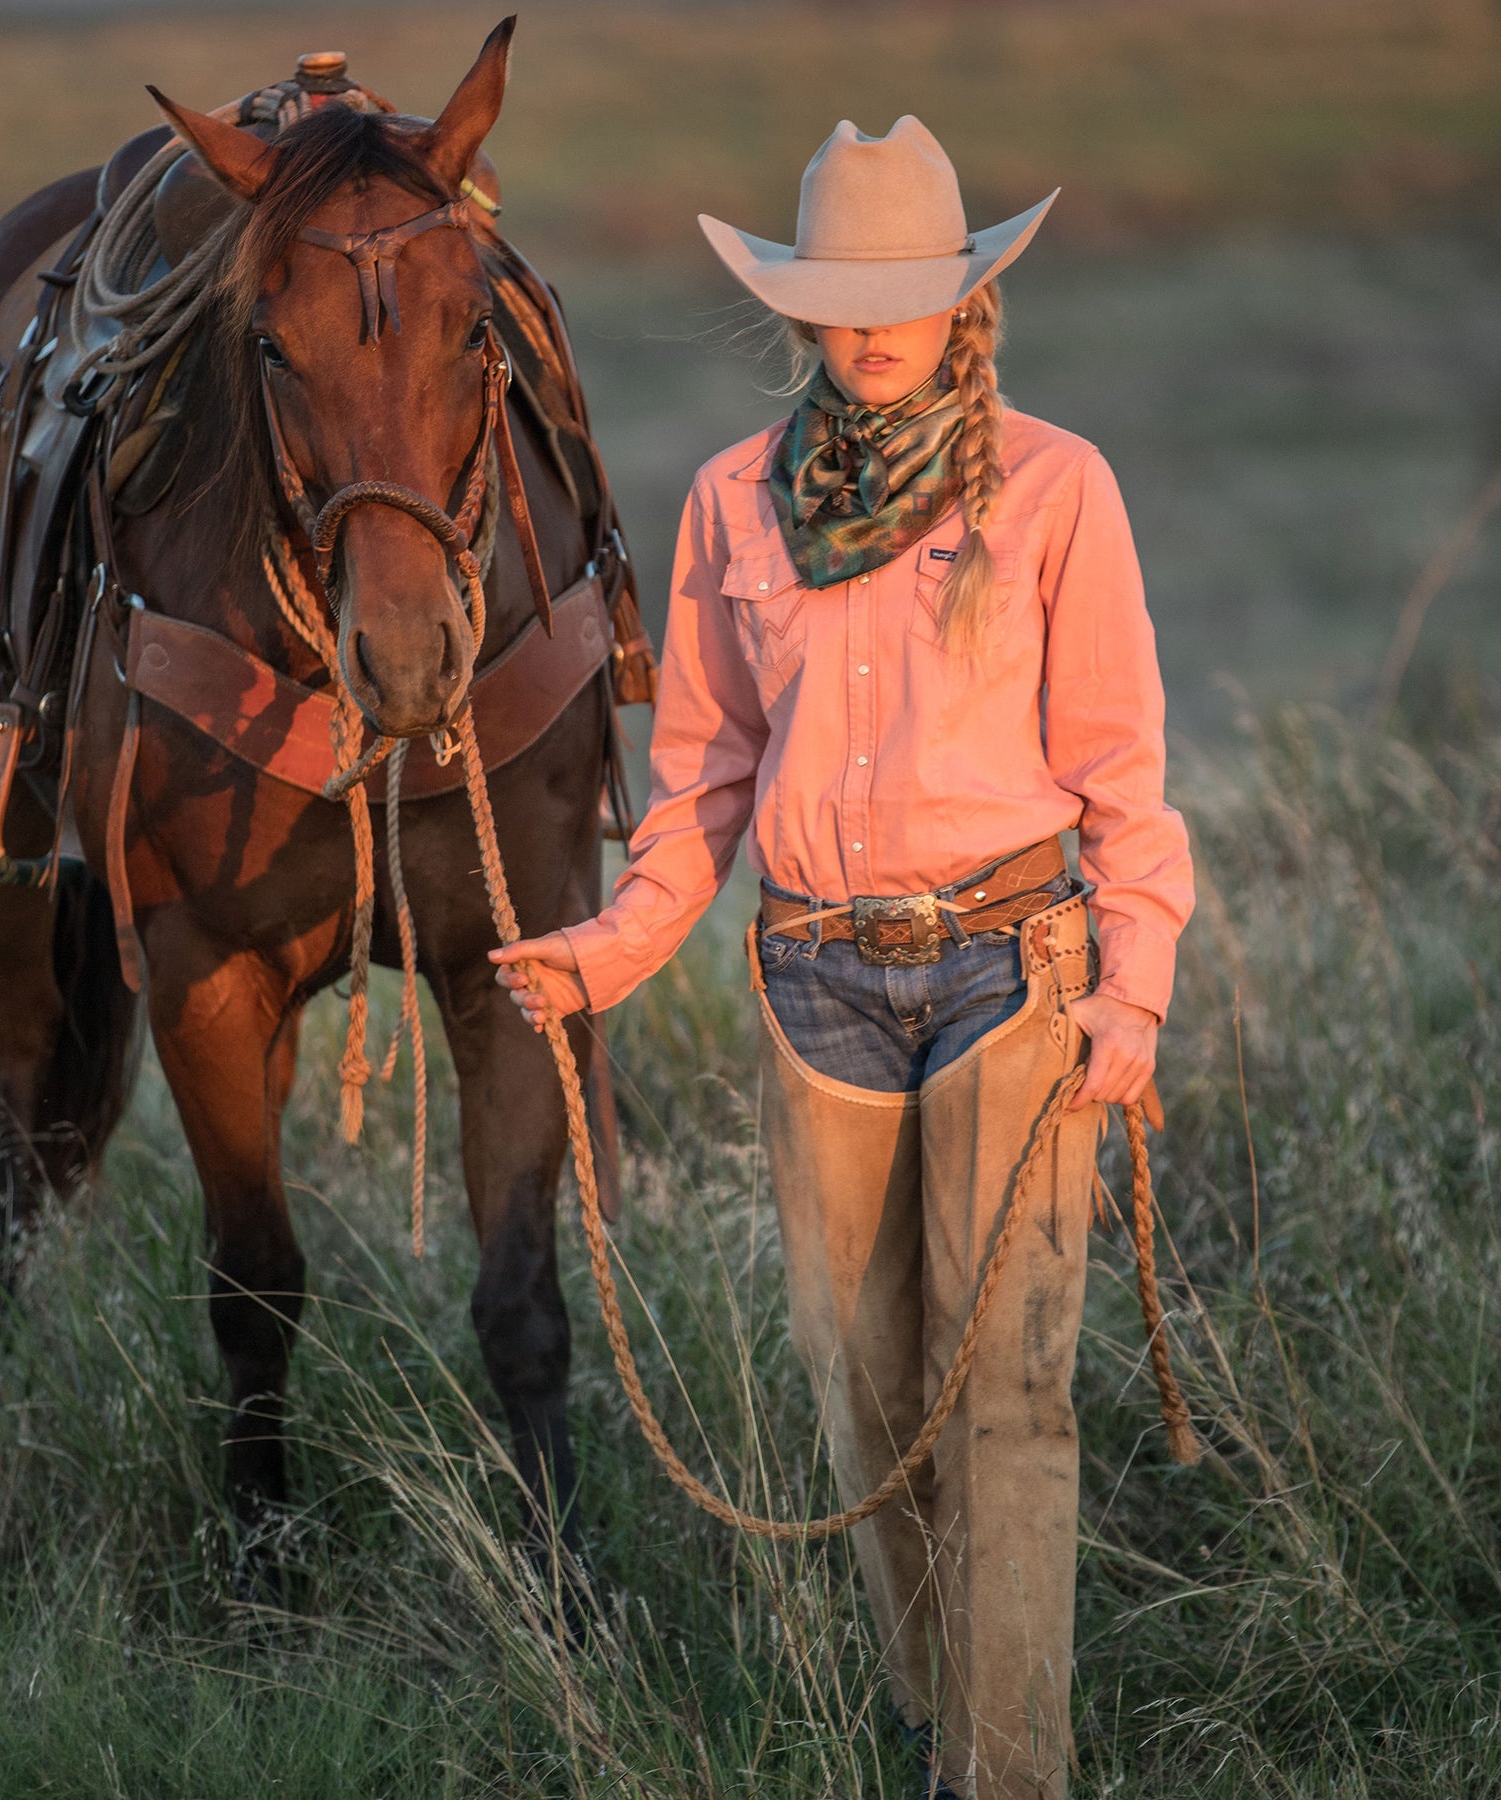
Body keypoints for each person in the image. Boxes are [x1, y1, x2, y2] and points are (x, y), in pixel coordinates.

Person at [490, 115, 1193, 1799]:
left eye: (904, 298)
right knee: (867, 1401)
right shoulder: (732, 502)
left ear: (963, 299)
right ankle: (939, 1726)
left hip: (1013, 973)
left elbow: (1122, 768)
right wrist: (609, 949)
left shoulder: (1057, 485)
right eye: (841, 302)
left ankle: (1005, 1776)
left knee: (1006, 1397)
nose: (872, 332)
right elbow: (702, 780)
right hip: (816, 984)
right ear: (799, 309)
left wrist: (1136, 984)